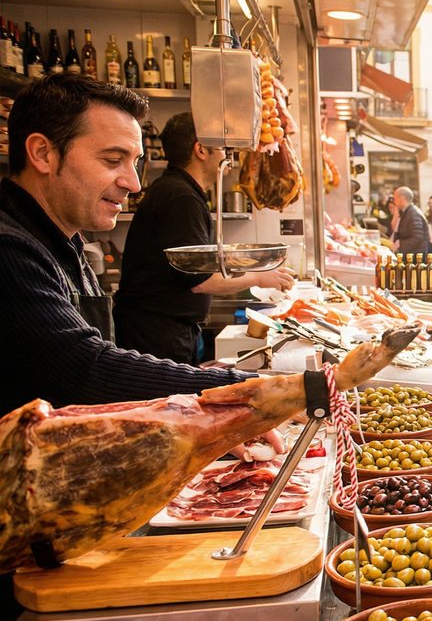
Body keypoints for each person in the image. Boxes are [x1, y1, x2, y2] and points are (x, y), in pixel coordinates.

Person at [0, 74, 276, 423]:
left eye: (136, 163)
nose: (133, 182)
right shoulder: (10, 249)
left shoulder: (65, 241)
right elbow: (87, 369)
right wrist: (252, 389)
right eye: (113, 160)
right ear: (43, 153)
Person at [113, 112, 295, 365]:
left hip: (163, 328)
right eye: (222, 147)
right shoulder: (181, 198)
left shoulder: (180, 191)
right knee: (170, 402)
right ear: (200, 150)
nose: (228, 156)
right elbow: (201, 280)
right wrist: (261, 277)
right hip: (157, 334)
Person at [391, 186, 428, 256]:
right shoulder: (407, 212)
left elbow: (418, 237)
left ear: (401, 198)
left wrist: (400, 243)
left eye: (395, 199)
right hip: (411, 255)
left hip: (415, 258)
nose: (394, 202)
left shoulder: (413, 214)